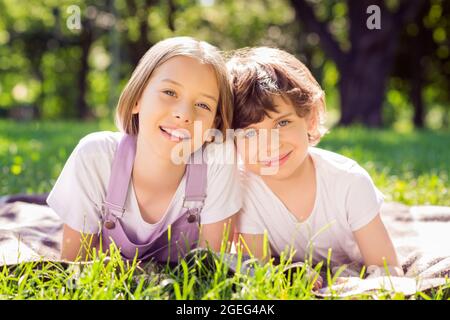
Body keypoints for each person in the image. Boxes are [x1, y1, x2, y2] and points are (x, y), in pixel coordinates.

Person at [47, 37, 242, 263]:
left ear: (213, 125)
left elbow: (214, 269)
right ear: (138, 98)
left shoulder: (218, 162)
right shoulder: (96, 157)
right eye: (170, 92)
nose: (184, 114)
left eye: (203, 105)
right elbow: (73, 265)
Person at [227, 47, 403, 278]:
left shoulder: (349, 183)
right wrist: (294, 277)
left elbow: (388, 270)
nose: (270, 145)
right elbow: (259, 272)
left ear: (310, 119)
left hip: (352, 268)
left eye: (282, 123)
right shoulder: (243, 190)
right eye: (250, 133)